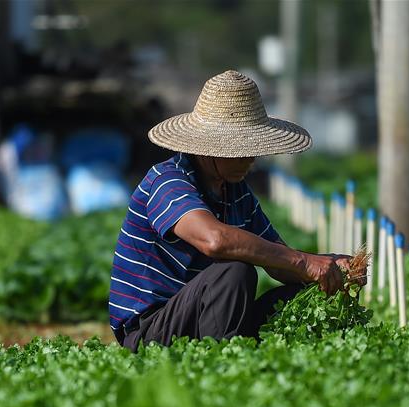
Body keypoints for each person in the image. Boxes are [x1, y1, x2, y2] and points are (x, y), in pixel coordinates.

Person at [109, 70, 351, 350]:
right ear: (207, 148)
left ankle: (246, 357)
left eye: (252, 149)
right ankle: (223, 364)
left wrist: (329, 266)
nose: (249, 159)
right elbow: (215, 241)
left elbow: (279, 263)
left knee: (302, 293)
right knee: (234, 272)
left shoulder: (235, 192)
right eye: (239, 149)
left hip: (205, 317)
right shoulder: (168, 181)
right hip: (151, 331)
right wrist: (304, 262)